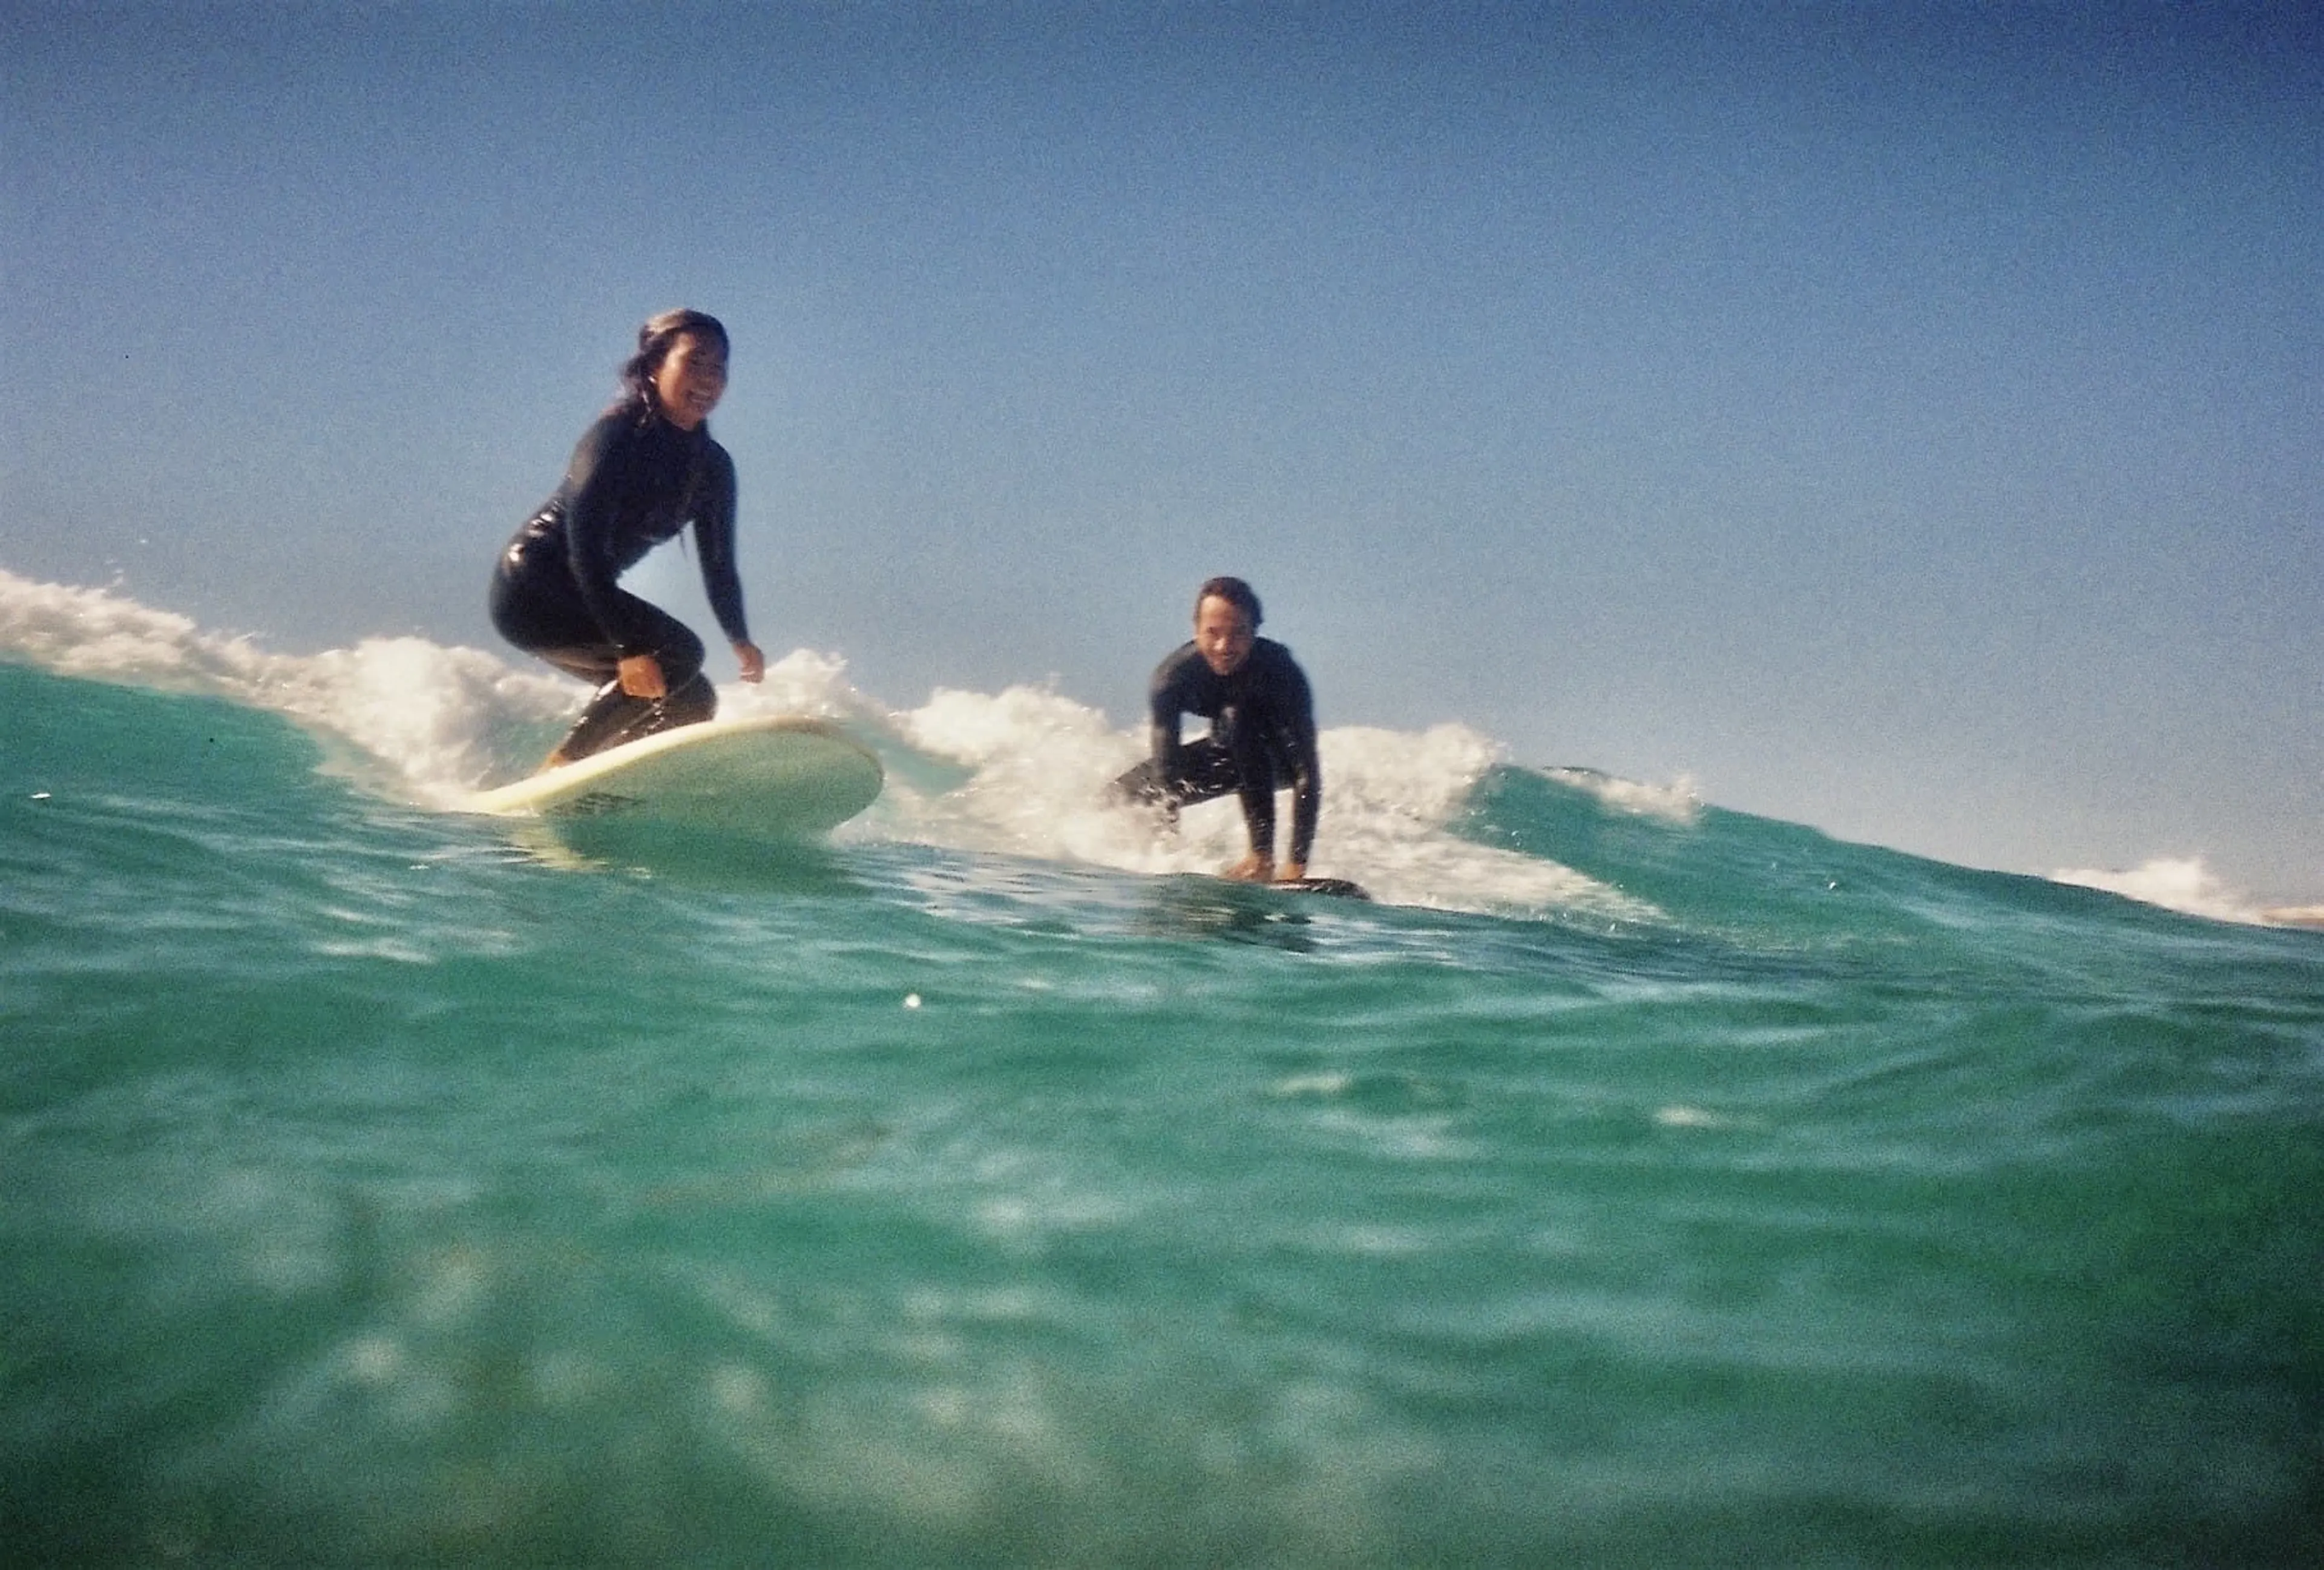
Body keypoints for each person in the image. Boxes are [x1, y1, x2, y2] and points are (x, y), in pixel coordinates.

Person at [489, 308, 765, 769]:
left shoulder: (713, 468)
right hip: (532, 589)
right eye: (695, 362)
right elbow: (584, 550)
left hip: (587, 600)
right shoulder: (614, 439)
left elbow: (719, 564)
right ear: (655, 366)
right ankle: (563, 764)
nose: (709, 378)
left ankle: (604, 775)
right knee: (680, 653)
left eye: (719, 367)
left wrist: (740, 637)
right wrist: (629, 648)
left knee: (693, 699)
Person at [1112, 576, 1322, 881]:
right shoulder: (1171, 680)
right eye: (1213, 633)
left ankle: (1262, 858)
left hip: (1280, 762)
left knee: (1238, 718)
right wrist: (1166, 854)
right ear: (1196, 630)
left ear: (1254, 632)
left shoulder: (1282, 672)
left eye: (1238, 633)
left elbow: (1308, 775)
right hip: (1228, 756)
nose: (1224, 646)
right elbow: (1167, 770)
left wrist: (1296, 865)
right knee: (1124, 793)